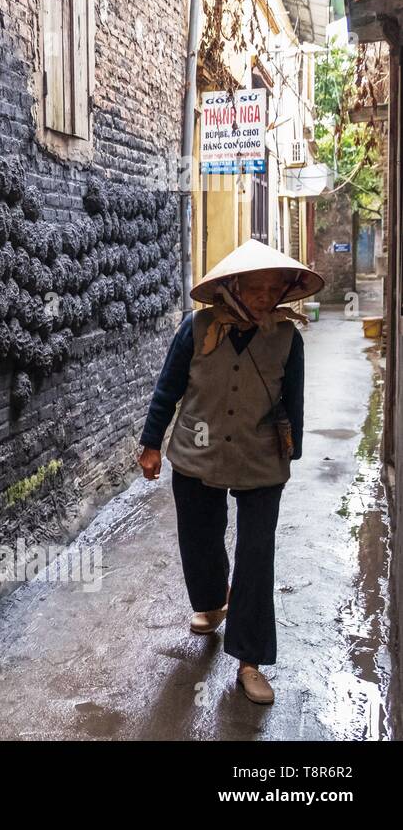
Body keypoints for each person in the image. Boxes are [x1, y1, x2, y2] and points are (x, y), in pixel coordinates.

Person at [136, 239, 323, 705]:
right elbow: (168, 388)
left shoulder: (286, 338)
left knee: (257, 557)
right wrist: (151, 443)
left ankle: (250, 660)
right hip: (197, 453)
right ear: (233, 286)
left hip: (260, 458)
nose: (264, 296)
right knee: (200, 537)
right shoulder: (197, 328)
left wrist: (290, 452)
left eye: (272, 288)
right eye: (254, 287)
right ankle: (213, 601)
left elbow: (293, 401)